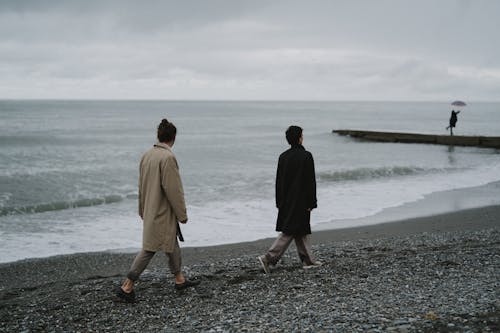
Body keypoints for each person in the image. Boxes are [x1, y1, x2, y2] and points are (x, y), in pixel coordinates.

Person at [117, 118, 199, 303]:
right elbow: (173, 189)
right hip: (162, 212)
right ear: (174, 137)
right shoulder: (168, 157)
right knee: (149, 248)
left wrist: (141, 209)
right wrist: (182, 214)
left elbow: (141, 186)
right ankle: (127, 285)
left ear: (159, 136)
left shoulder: (147, 155)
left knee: (171, 244)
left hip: (150, 209)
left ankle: (179, 279)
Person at [258, 125, 322, 274]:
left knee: (299, 229)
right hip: (300, 200)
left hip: (286, 200)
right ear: (300, 138)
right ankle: (268, 258)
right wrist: (312, 202)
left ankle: (308, 260)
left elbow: (279, 182)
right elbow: (310, 181)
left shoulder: (283, 156)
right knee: (290, 230)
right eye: (302, 136)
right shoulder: (306, 156)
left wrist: (279, 202)